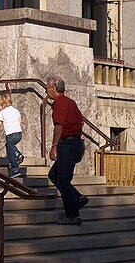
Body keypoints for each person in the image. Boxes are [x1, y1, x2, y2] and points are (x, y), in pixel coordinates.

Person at [46, 75, 88, 225]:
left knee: (63, 181)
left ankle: (73, 216)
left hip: (68, 144)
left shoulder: (60, 103)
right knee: (54, 174)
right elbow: (80, 121)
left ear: (54, 88)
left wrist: (54, 146)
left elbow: (59, 125)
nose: (46, 90)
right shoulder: (71, 102)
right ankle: (77, 198)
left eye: (48, 87)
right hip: (74, 143)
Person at [0, 93, 25, 178]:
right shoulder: (16, 111)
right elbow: (21, 121)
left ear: (3, 104)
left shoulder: (3, 112)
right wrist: (22, 124)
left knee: (10, 151)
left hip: (10, 135)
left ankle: (15, 167)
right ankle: (17, 156)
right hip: (19, 134)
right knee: (9, 147)